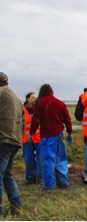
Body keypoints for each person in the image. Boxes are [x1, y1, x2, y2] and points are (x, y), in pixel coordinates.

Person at [29, 84, 73, 191]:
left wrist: (31, 133)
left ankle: (49, 185)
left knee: (48, 160)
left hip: (47, 136)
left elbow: (36, 120)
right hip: (59, 135)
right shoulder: (60, 103)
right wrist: (70, 132)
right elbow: (67, 119)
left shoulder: (40, 103)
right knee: (61, 159)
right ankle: (63, 182)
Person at [0, 72, 23, 216]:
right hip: (14, 140)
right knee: (7, 175)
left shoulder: (1, 93)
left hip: (2, 140)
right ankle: (16, 205)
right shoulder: (16, 97)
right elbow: (24, 120)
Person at [22, 92, 42, 185]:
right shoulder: (22, 110)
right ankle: (30, 178)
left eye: (35, 97)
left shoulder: (39, 109)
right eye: (32, 97)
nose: (34, 98)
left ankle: (40, 178)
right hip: (26, 139)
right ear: (27, 99)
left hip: (38, 138)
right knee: (28, 159)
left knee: (40, 159)